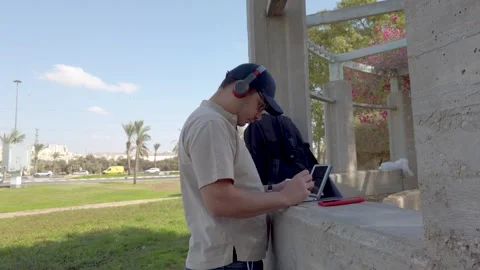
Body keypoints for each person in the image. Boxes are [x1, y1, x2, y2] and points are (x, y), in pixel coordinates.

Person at [178, 63, 314, 270]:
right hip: (228, 261)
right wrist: (285, 197)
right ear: (241, 88)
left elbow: (227, 190)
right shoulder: (211, 124)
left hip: (228, 259)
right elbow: (220, 201)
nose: (259, 116)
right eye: (260, 105)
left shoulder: (217, 123)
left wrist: (270, 190)